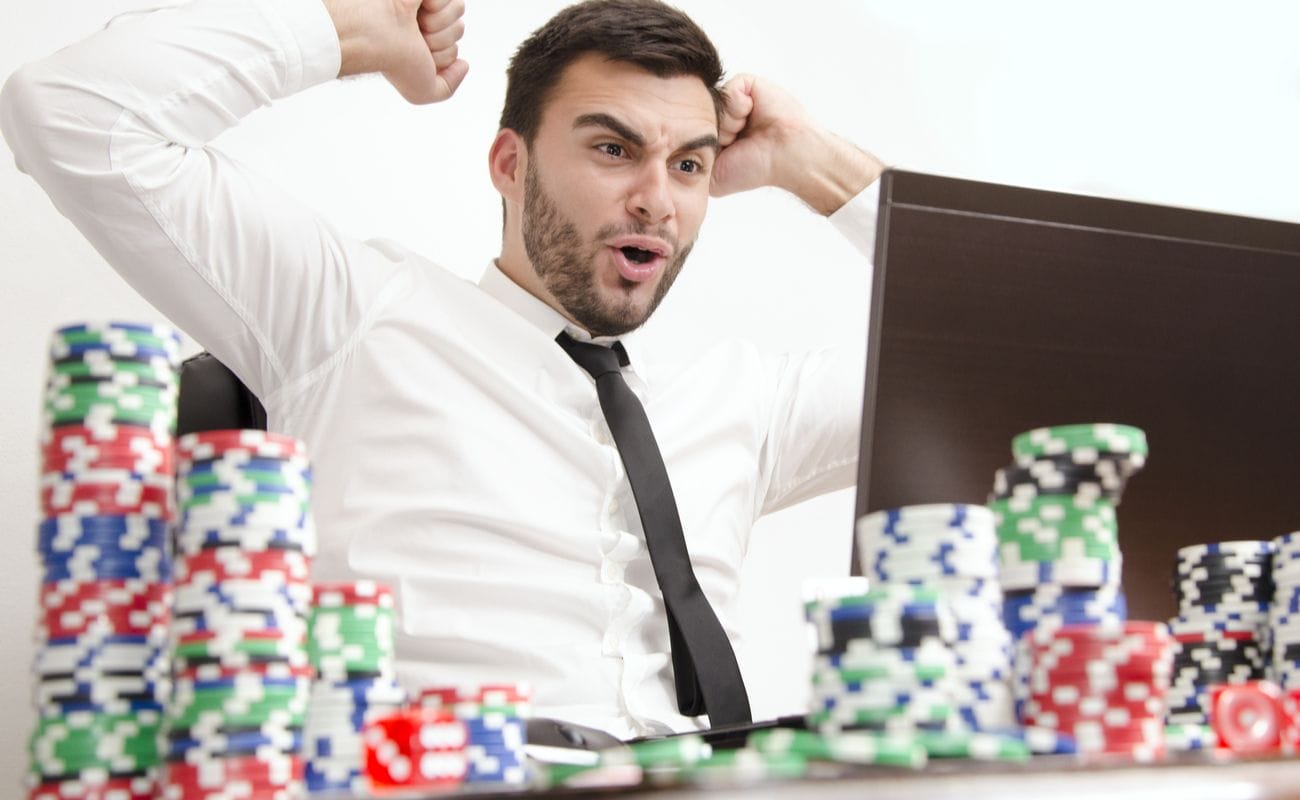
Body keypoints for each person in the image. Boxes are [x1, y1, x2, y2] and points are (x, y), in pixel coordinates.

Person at [0, 0, 883, 739]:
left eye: (687, 164)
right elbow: (69, 111)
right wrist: (350, 30)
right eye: (613, 149)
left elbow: (1018, 348)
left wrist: (815, 164)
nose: (657, 198)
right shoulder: (350, 315)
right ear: (510, 163)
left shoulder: (747, 404)